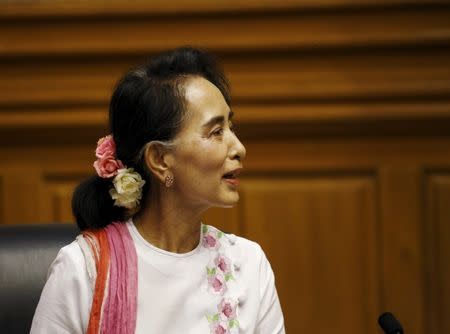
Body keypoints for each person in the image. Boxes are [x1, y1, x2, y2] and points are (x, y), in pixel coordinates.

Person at [30, 46, 285, 334]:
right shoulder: (84, 269)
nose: (239, 148)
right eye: (216, 132)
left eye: (231, 127)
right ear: (160, 160)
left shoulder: (248, 266)